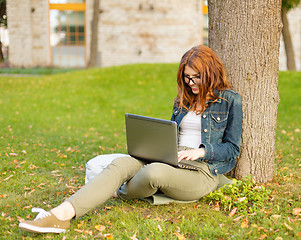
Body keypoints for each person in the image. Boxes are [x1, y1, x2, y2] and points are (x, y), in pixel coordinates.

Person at [19, 45, 243, 234]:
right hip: (171, 158)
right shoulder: (183, 99)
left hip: (202, 171)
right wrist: (157, 146)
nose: (191, 83)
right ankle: (60, 215)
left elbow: (232, 148)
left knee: (153, 172)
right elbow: (171, 132)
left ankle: (118, 191)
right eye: (187, 77)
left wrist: (201, 151)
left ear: (211, 71)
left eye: (196, 77)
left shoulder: (230, 100)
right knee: (122, 163)